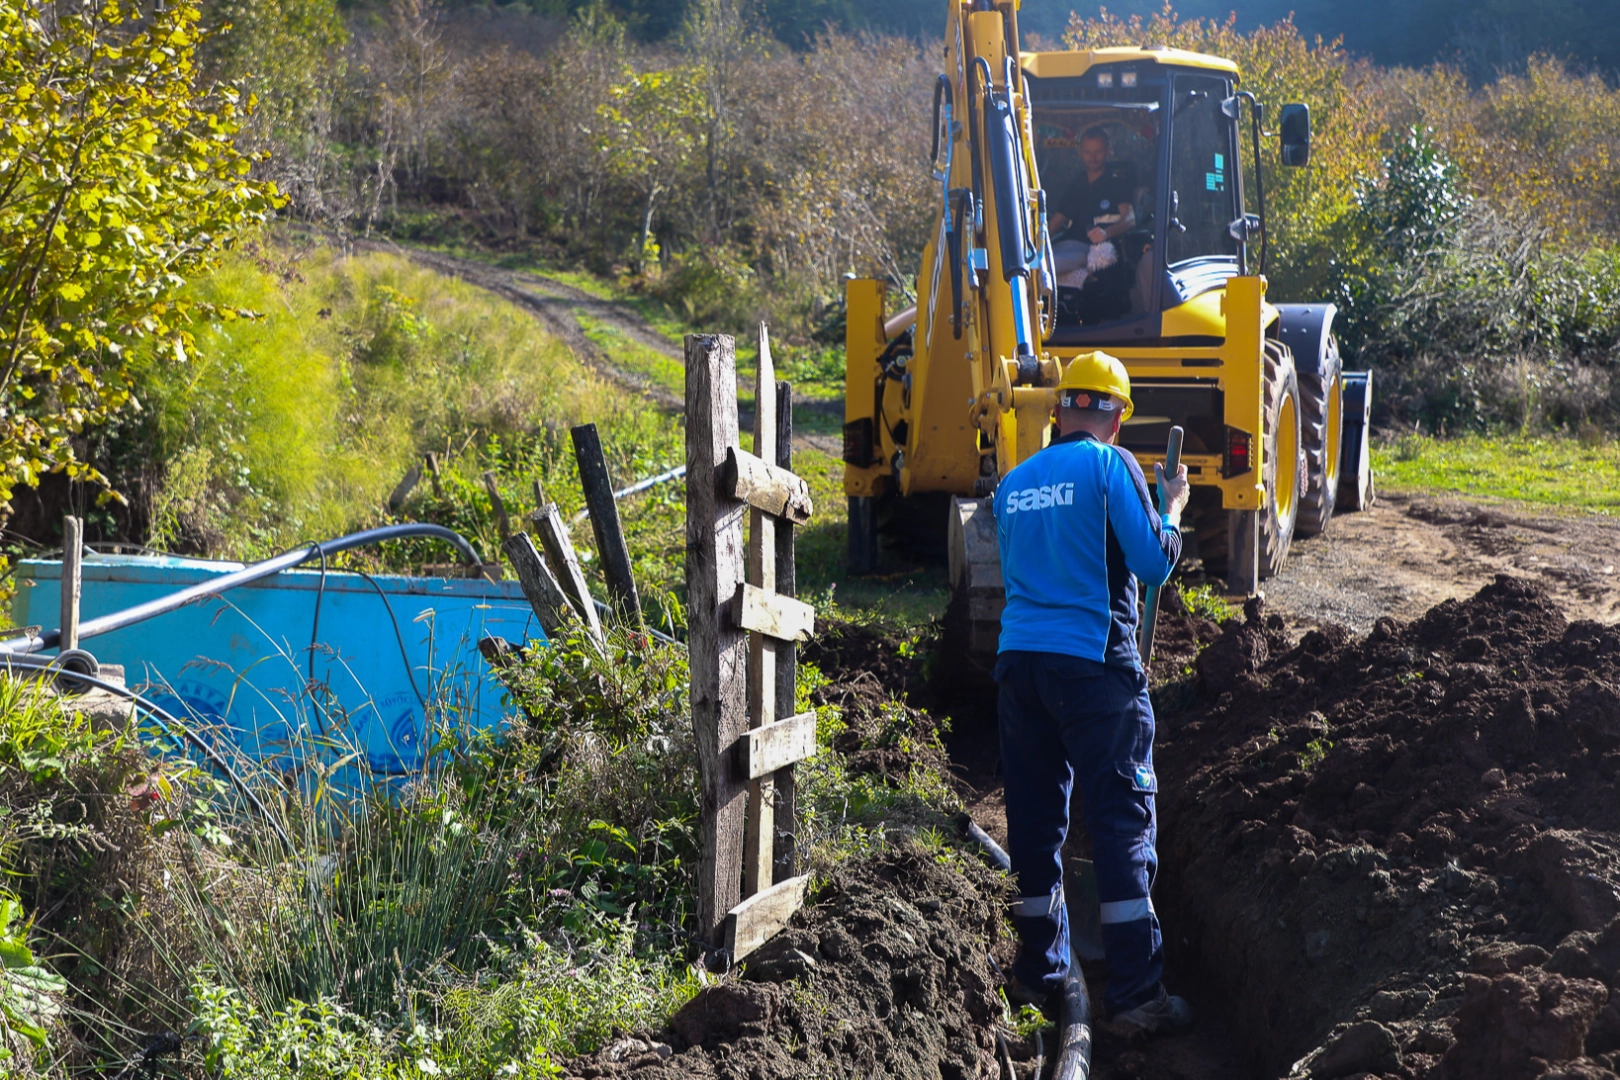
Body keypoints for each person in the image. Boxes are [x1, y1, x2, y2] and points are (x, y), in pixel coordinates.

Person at [992, 351, 1192, 1037]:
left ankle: (1040, 977)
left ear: (1059, 408)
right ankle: (1136, 996)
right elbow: (1151, 562)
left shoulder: (1013, 483)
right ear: (1115, 414)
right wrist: (1170, 510)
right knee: (1120, 822)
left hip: (1019, 669)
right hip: (1093, 668)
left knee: (1036, 826)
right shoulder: (1113, 467)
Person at [1050, 127, 1136, 283]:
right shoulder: (1078, 182)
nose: (1093, 157)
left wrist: (1106, 233)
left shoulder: (1117, 183)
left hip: (1095, 249)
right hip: (1068, 245)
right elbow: (1057, 221)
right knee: (1034, 263)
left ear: (1108, 152)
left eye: (1098, 152)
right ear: (1080, 153)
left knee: (1047, 267)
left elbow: (1129, 218)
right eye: (1088, 152)